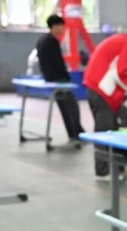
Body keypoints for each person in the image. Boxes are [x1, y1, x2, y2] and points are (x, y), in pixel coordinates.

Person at [84, 24, 127, 176]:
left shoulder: (120, 40)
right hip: (101, 92)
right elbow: (121, 73)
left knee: (125, 120)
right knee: (104, 133)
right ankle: (103, 172)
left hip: (100, 90)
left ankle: (120, 167)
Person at [37, 14, 84, 144]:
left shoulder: (42, 40)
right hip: (59, 79)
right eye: (61, 26)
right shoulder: (52, 42)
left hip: (49, 78)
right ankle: (77, 133)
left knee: (64, 107)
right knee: (71, 107)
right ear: (56, 26)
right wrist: (67, 77)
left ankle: (73, 133)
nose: (62, 29)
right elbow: (58, 63)